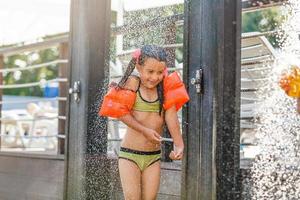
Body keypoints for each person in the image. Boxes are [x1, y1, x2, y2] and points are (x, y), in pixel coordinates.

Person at [99, 45, 189, 200]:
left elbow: (171, 117)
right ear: (139, 67)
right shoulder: (133, 83)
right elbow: (121, 113)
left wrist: (179, 143)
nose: (155, 77)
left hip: (153, 157)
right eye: (150, 72)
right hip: (130, 156)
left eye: (160, 72)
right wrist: (144, 130)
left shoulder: (164, 87)